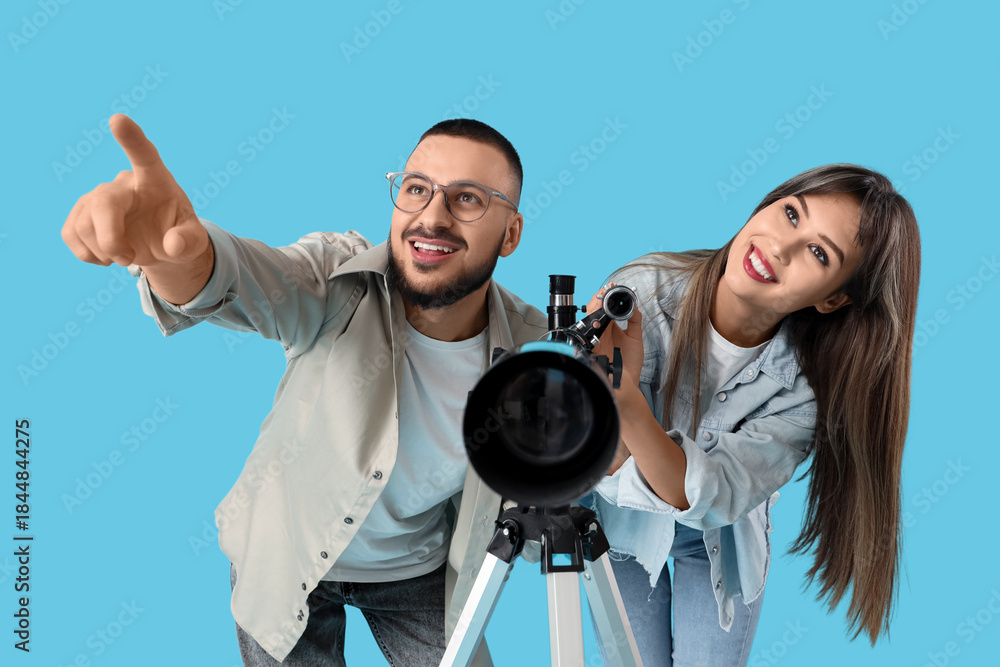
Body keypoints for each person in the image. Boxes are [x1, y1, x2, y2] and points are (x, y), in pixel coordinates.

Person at [61, 114, 547, 666]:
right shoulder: (338, 279)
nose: (430, 217)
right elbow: (246, 277)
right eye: (416, 190)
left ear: (510, 233)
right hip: (286, 560)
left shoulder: (527, 354)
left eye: (467, 199)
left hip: (417, 569)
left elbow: (527, 505)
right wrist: (177, 258)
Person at [585, 164, 920, 666]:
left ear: (832, 298)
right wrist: (605, 395)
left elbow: (706, 496)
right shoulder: (642, 295)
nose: (780, 247)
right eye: (790, 214)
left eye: (818, 252)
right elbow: (602, 465)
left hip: (721, 541)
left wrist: (624, 397)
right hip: (621, 530)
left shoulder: (807, 390)